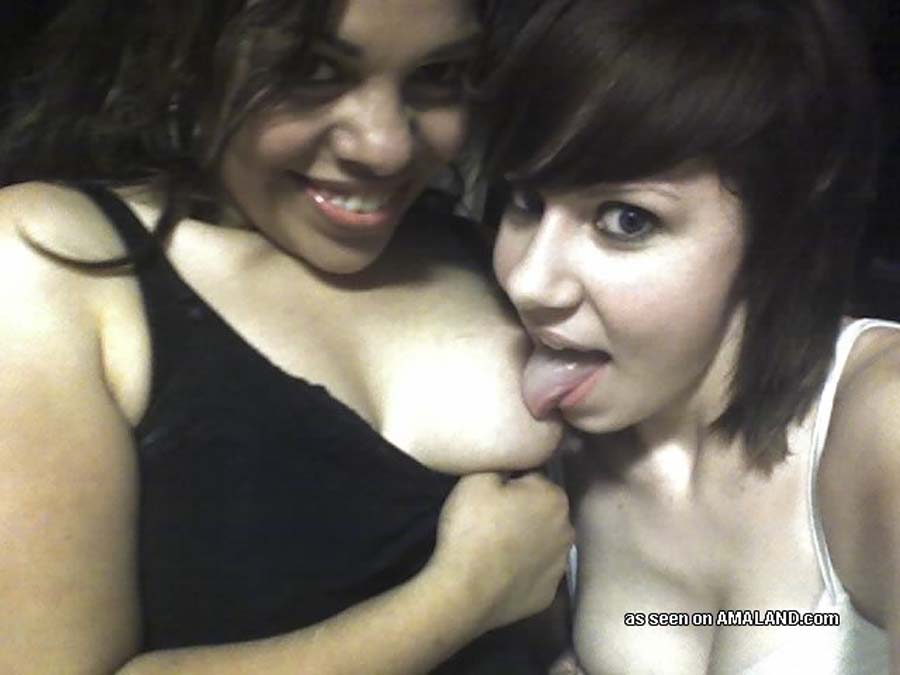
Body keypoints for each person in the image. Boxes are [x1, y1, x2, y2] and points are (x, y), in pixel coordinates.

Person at [0, 1, 574, 673]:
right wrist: (459, 599)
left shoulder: (500, 260)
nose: (386, 145)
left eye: (438, 73)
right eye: (310, 70)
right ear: (181, 61)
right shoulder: (51, 261)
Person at [482, 0, 897, 672]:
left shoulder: (880, 422)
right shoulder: (551, 448)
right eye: (526, 202)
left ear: (781, 226)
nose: (529, 281)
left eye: (625, 219)